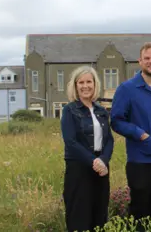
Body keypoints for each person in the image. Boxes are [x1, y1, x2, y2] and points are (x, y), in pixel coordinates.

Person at [110, 42, 151, 231]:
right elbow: (116, 120)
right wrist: (140, 134)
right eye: (147, 58)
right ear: (140, 61)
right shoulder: (127, 89)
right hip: (140, 161)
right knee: (139, 212)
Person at [60, 65, 115, 232]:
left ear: (95, 84)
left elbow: (109, 140)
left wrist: (103, 161)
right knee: (79, 217)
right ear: (75, 86)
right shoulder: (69, 110)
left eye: (89, 82)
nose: (85, 86)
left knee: (99, 216)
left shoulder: (101, 111)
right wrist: (94, 161)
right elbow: (71, 141)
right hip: (79, 170)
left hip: (101, 170)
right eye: (81, 82)